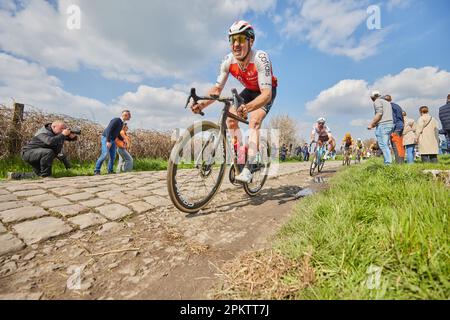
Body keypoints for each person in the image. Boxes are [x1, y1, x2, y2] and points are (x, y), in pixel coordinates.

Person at [191, 20, 277, 183]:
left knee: (254, 121)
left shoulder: (260, 58)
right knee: (230, 120)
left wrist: (248, 107)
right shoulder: (228, 61)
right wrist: (202, 103)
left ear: (251, 41)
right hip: (251, 90)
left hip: (266, 91)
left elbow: (266, 95)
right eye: (232, 40)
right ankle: (241, 157)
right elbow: (217, 90)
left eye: (241, 39)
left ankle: (250, 166)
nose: (236, 44)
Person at [94, 110, 131, 175]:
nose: (130, 117)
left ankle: (110, 170)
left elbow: (117, 133)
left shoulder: (121, 123)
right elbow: (109, 130)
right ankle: (96, 170)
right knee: (105, 154)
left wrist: (122, 139)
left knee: (113, 156)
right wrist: (108, 141)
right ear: (125, 115)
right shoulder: (116, 120)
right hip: (106, 138)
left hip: (113, 140)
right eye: (129, 115)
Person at [368, 91, 394, 165]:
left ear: (372, 97)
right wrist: (374, 124)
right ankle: (387, 162)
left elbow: (379, 113)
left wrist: (371, 124)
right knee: (385, 144)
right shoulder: (387, 102)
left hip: (383, 125)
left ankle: (388, 164)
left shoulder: (377, 101)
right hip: (389, 124)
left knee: (383, 144)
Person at [384, 95, 405, 164]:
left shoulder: (388, 107)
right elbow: (401, 116)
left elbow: (393, 118)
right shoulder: (397, 106)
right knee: (400, 145)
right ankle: (401, 161)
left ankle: (399, 163)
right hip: (400, 126)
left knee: (395, 145)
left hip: (395, 127)